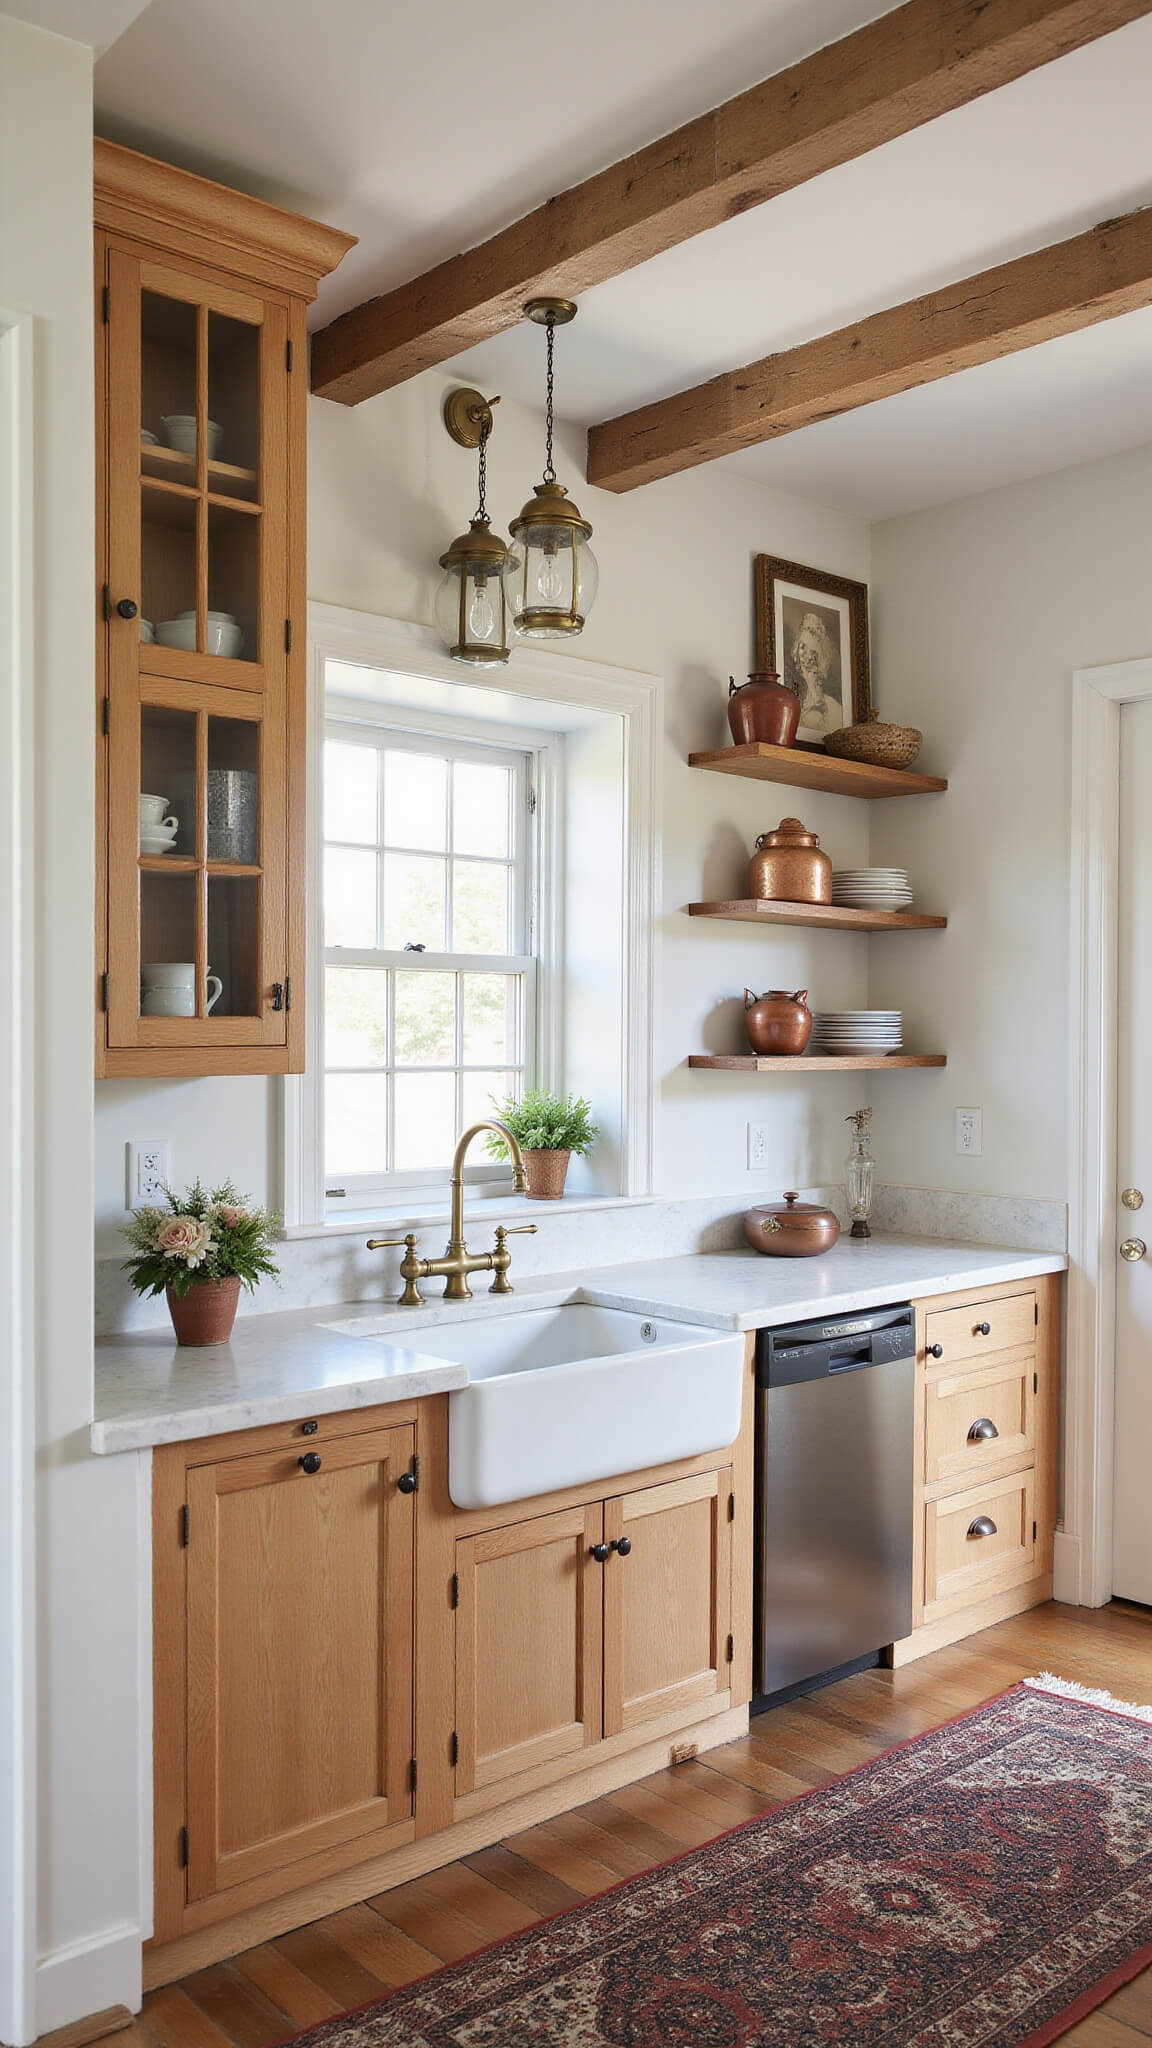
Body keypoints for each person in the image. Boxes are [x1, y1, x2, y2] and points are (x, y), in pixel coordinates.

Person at [785, 609, 842, 737]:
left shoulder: (831, 706)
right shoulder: (792, 682)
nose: (804, 654)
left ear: (816, 655)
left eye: (810, 650)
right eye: (802, 647)